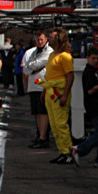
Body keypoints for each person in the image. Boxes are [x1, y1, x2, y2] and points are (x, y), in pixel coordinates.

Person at [70, 46, 98, 167]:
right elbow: (90, 91)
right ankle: (80, 149)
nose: (96, 61)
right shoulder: (88, 73)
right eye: (93, 58)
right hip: (94, 108)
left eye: (97, 59)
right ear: (87, 58)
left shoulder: (92, 71)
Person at [43, 29, 75, 164]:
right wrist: (44, 92)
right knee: (54, 125)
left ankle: (68, 152)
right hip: (50, 92)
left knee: (61, 124)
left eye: (51, 37)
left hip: (59, 93)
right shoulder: (52, 55)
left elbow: (70, 77)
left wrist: (64, 95)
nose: (49, 39)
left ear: (59, 39)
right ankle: (62, 151)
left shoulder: (65, 56)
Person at [23, 31, 53, 149]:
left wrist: (31, 67)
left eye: (42, 39)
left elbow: (36, 65)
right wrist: (31, 67)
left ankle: (43, 137)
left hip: (42, 85)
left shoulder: (49, 51)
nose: (40, 42)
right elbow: (26, 67)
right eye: (38, 40)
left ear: (46, 39)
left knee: (43, 112)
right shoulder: (33, 51)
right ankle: (40, 136)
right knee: (37, 113)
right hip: (33, 86)